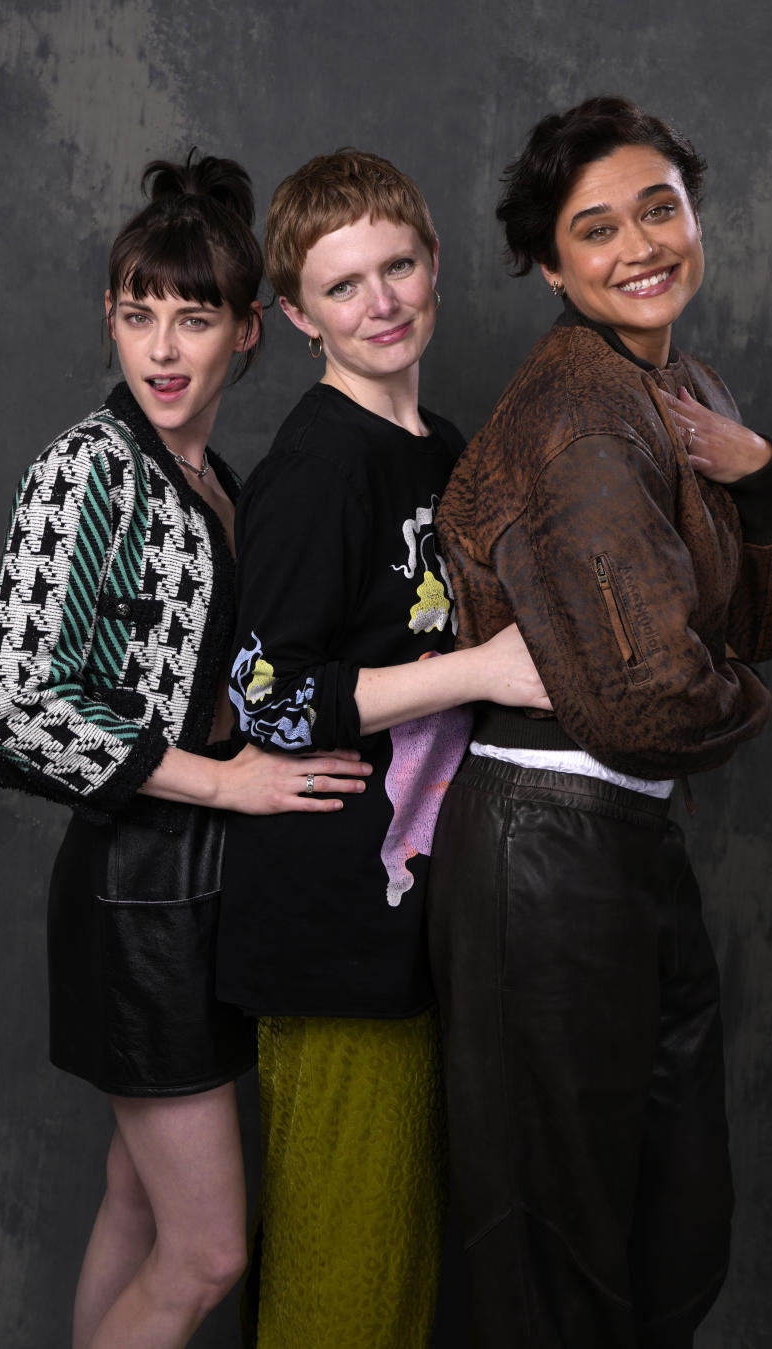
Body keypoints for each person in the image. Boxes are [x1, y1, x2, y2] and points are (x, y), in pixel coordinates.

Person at [428, 96, 772, 1349]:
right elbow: (655, 694)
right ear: (552, 266)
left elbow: (758, 622)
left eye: (660, 206)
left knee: (667, 1220)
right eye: (594, 228)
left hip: (619, 842)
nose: (640, 243)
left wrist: (761, 474)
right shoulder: (582, 415)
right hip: (545, 853)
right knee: (563, 1245)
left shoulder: (674, 384)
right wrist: (723, 686)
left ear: (694, 213)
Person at [0, 151, 370, 1349]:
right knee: (208, 1252)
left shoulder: (221, 480)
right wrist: (230, 781)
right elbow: (19, 700)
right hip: (135, 889)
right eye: (138, 312)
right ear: (111, 313)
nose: (161, 346)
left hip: (200, 883)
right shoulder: (84, 471)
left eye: (193, 317)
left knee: (137, 1195)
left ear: (249, 332)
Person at [216, 149, 550, 1349]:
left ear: (435, 262)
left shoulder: (440, 444)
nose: (383, 302)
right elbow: (266, 693)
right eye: (344, 286)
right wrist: (482, 671)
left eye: (397, 265)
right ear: (299, 317)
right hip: (330, 929)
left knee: (405, 1267)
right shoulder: (317, 465)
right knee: (344, 1278)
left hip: (420, 915)